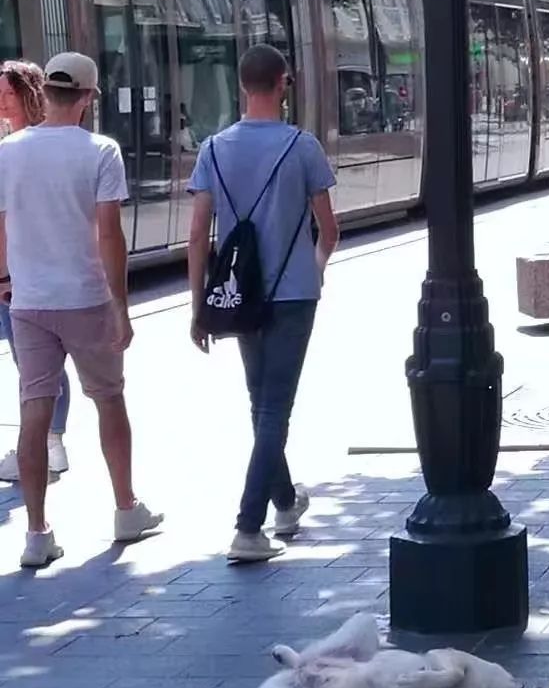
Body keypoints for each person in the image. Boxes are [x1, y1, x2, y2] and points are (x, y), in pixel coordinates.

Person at [0, 52, 162, 566]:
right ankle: (125, 509)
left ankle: (36, 534)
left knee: (33, 412)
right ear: (89, 98)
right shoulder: (101, 151)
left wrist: (5, 278)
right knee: (109, 400)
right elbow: (109, 233)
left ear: (45, 93)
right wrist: (120, 305)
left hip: (29, 301)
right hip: (86, 299)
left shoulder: (8, 151)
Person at [187, 44, 339, 563]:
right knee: (274, 408)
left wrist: (198, 308)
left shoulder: (212, 148)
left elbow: (196, 237)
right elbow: (330, 228)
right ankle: (248, 527)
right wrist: (314, 267)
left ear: (240, 86)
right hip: (295, 294)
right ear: (284, 83)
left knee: (262, 404)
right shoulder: (303, 147)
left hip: (239, 296)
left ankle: (286, 500)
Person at [0, 61, 71, 481]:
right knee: (33, 362)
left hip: (21, 273)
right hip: (13, 270)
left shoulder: (29, 146)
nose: (0, 101)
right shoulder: (8, 142)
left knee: (35, 363)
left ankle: (47, 444)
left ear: (27, 93)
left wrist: (5, 275)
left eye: (6, 94)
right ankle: (49, 443)